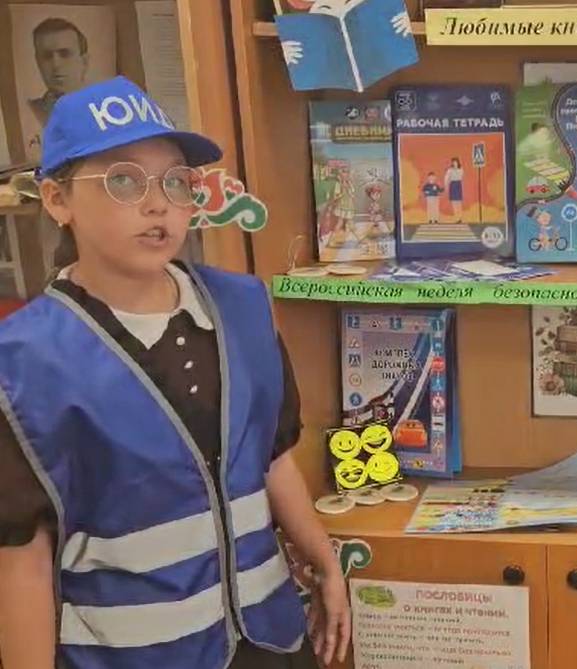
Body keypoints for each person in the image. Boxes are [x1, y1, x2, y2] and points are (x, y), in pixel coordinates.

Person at [0, 77, 350, 669]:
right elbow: (21, 560)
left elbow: (272, 457)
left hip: (268, 639)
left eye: (175, 181)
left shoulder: (244, 307)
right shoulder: (22, 362)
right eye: (123, 181)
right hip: (131, 655)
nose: (158, 204)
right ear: (58, 200)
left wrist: (324, 560)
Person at [28, 17, 89, 127]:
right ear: (38, 62)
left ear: (84, 62)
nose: (56, 64)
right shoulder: (27, 112)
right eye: (47, 56)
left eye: (65, 54)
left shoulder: (105, 110)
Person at [445, 157, 464, 222]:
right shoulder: (450, 170)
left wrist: (455, 171)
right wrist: (446, 186)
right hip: (452, 185)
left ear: (458, 162)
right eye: (453, 162)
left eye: (456, 162)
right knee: (454, 203)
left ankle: (460, 217)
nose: (454, 163)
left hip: (458, 185)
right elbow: (446, 178)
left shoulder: (461, 169)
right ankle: (456, 218)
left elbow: (461, 177)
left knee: (459, 203)